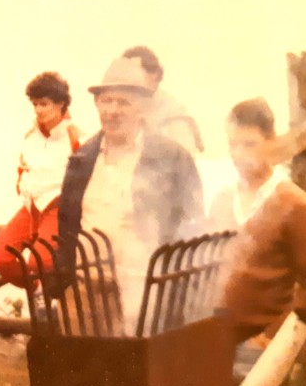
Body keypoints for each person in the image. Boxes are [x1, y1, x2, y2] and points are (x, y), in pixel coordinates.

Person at [210, 98, 306, 386]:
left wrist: (272, 340)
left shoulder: (295, 204)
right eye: (232, 144)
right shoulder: (221, 200)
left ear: (271, 143)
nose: (239, 153)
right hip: (213, 345)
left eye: (249, 144)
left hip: (259, 350)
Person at [58, 56, 204, 334]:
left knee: (135, 372)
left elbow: (192, 225)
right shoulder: (81, 159)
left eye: (123, 102)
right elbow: (66, 224)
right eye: (106, 101)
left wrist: (178, 291)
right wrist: (61, 281)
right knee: (81, 371)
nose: (113, 110)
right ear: (97, 104)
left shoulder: (172, 158)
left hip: (143, 293)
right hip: (85, 289)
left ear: (143, 107)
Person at [0, 72, 83, 287]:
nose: (38, 110)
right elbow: (23, 171)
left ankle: (55, 295)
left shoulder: (76, 137)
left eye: (44, 104)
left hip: (57, 209)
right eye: (35, 104)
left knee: (39, 262)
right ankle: (35, 290)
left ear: (61, 104)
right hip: (30, 209)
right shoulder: (31, 136)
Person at [121, 46, 204, 156]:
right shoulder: (123, 109)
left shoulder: (175, 118)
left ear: (154, 74)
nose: (129, 83)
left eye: (135, 75)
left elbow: (186, 165)